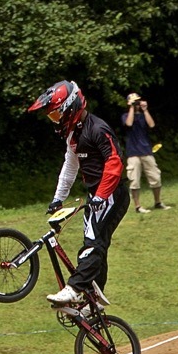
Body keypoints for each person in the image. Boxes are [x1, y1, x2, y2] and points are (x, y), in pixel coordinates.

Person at [28, 80, 130, 307]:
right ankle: (94, 300)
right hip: (97, 196)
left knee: (93, 244)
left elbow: (114, 164)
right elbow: (70, 167)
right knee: (95, 243)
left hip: (112, 193)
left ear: (70, 108)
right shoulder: (74, 135)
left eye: (55, 115)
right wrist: (58, 199)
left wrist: (101, 196)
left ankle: (74, 289)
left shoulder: (97, 128)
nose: (54, 121)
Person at [121, 92, 169, 213]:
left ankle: (158, 202)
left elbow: (152, 125)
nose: (137, 104)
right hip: (133, 153)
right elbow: (129, 124)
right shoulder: (126, 115)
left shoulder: (143, 116)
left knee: (155, 177)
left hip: (146, 151)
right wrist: (132, 108)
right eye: (134, 102)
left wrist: (145, 110)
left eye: (137, 101)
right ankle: (138, 206)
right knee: (134, 180)